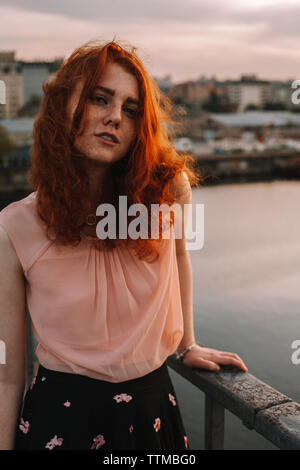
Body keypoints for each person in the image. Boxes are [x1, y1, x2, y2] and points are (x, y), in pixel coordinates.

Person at [0, 39, 248, 451]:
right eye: (100, 99)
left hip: (150, 414)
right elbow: (8, 374)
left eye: (130, 110)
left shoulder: (168, 192)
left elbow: (180, 257)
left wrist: (187, 342)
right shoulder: (16, 226)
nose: (115, 117)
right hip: (58, 420)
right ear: (64, 105)